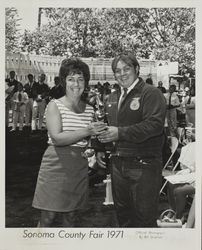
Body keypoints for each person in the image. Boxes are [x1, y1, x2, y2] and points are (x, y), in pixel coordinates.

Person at [32, 58, 106, 227]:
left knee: (71, 218)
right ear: (64, 81)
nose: (76, 84)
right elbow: (57, 138)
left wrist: (98, 148)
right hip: (55, 164)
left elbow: (92, 138)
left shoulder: (90, 109)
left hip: (78, 166)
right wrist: (87, 131)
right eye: (71, 79)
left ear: (86, 82)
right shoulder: (54, 105)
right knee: (48, 217)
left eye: (80, 79)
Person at [97, 52, 166, 227]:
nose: (122, 74)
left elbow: (154, 125)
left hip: (144, 165)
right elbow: (105, 124)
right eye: (117, 71)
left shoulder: (150, 93)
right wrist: (98, 147)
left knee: (144, 219)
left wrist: (120, 133)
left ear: (136, 69)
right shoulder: (112, 96)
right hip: (118, 164)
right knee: (124, 217)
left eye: (126, 69)